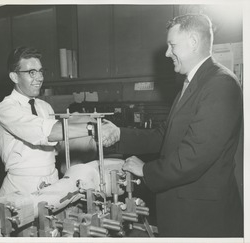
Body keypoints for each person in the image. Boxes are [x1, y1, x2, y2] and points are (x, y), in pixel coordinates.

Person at [101, 14, 243, 237]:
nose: (167, 53)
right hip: (185, 212)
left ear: (193, 42)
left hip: (204, 218)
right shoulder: (191, 85)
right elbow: (163, 135)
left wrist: (146, 171)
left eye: (172, 45)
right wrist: (119, 133)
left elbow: (194, 156)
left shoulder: (220, 84)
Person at [0, 46, 96, 196]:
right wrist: (92, 128)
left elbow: (59, 141)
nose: (40, 78)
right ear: (14, 77)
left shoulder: (44, 107)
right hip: (22, 187)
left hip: (52, 181)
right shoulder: (6, 109)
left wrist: (91, 135)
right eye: (31, 72)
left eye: (41, 71)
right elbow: (45, 132)